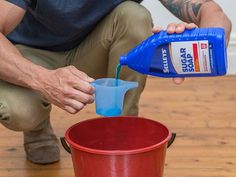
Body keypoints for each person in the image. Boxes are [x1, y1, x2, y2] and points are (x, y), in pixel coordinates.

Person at [0, 0, 231, 164]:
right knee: (19, 111)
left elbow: (210, 9)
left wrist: (206, 42)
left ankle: (122, 132)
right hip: (30, 56)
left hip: (92, 48)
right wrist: (43, 80)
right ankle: (37, 129)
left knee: (134, 16)